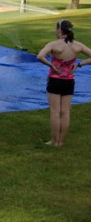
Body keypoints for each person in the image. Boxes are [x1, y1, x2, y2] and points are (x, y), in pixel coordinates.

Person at [36, 19, 91, 147]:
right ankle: (60, 141)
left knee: (55, 112)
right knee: (65, 111)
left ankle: (54, 141)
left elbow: (39, 56)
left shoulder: (53, 44)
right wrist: (79, 64)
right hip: (69, 81)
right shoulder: (78, 45)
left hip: (55, 80)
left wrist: (51, 65)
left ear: (59, 30)